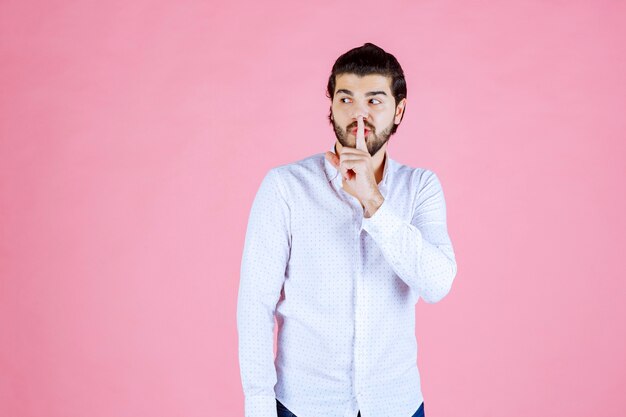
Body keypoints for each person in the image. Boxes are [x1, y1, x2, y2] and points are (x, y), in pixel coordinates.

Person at [237, 42, 457, 417]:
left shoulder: (420, 187)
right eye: (345, 99)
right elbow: (255, 305)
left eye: (374, 101)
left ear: (398, 110)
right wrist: (259, 407)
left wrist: (374, 202)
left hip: (397, 405)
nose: (359, 113)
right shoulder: (285, 187)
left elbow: (437, 284)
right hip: (303, 405)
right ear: (331, 108)